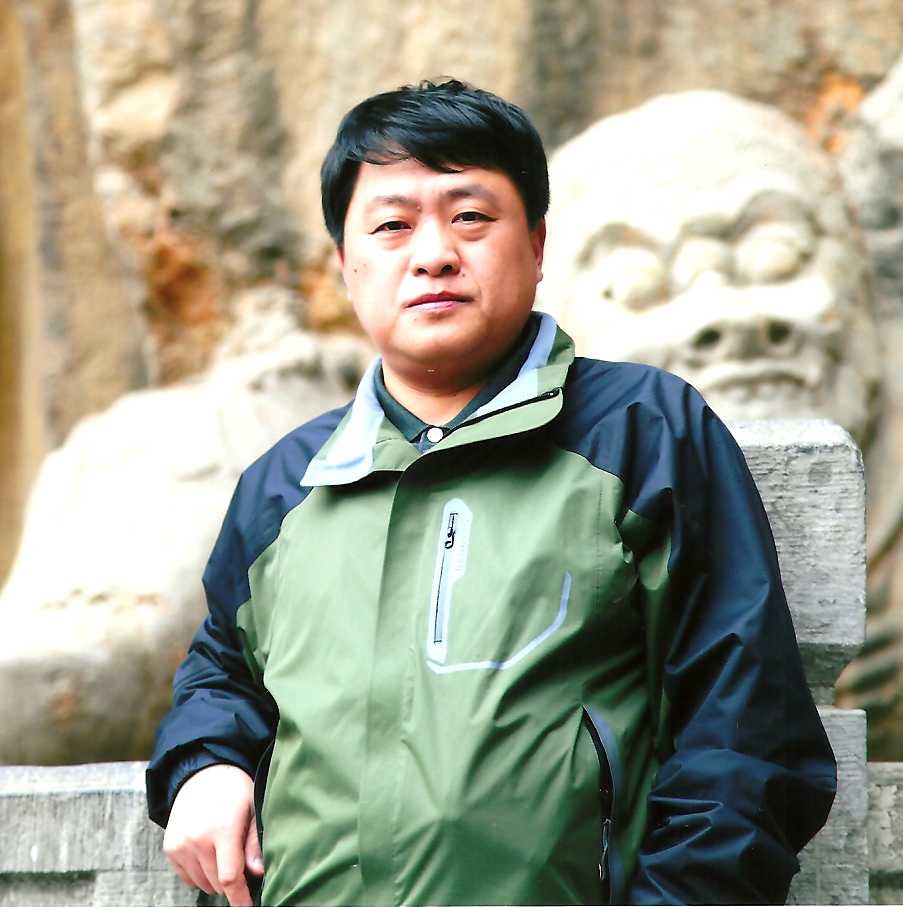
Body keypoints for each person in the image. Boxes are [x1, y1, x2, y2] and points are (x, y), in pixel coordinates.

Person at [146, 79, 837, 906]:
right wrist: (205, 762)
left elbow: (744, 728)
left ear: (537, 246)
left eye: (471, 216)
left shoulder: (639, 433)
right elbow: (222, 666)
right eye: (392, 226)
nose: (433, 253)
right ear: (344, 264)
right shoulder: (289, 482)